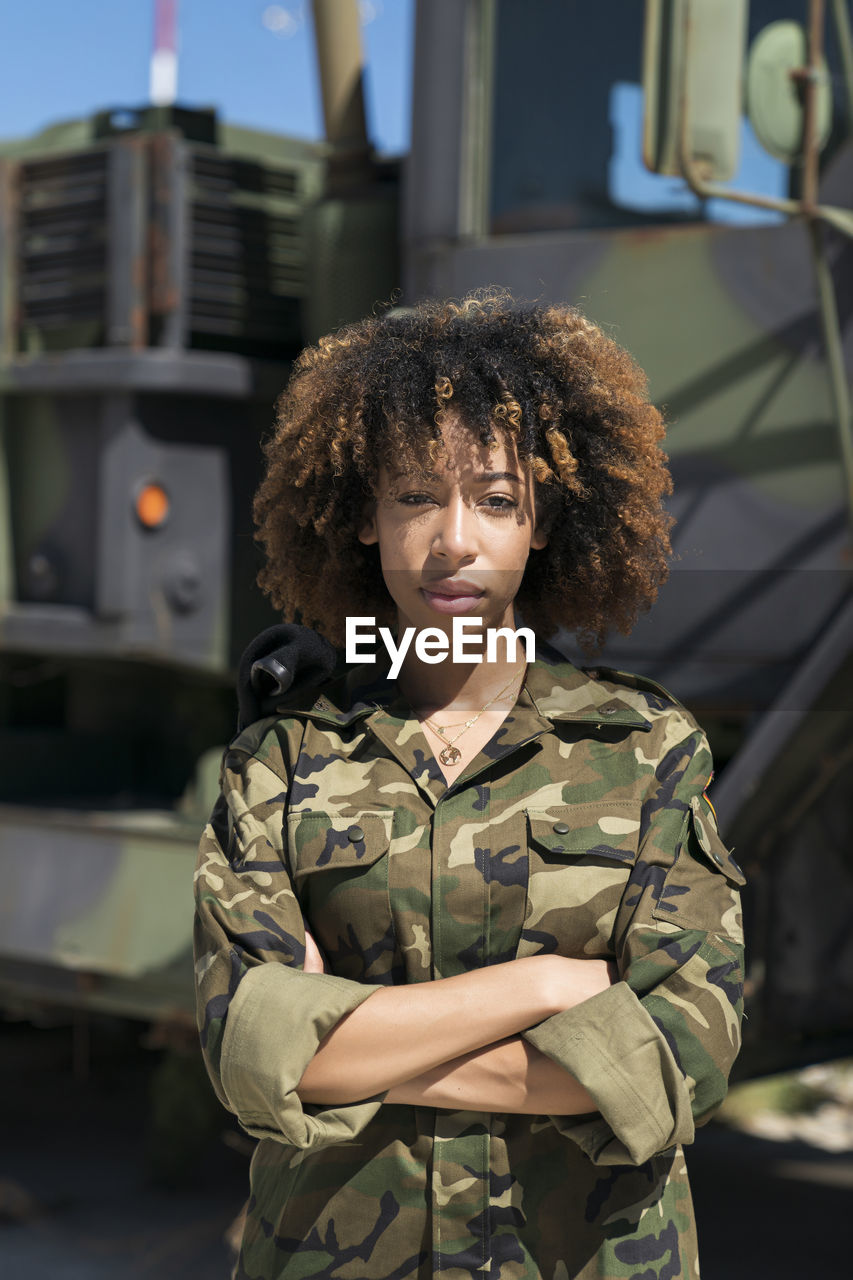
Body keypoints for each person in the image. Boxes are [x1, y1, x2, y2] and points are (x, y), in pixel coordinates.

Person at [193, 289, 746, 1280]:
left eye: (494, 498)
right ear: (363, 518)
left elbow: (678, 1057)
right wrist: (542, 988)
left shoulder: (647, 747)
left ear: (543, 522)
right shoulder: (281, 763)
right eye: (413, 494)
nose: (453, 538)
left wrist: (342, 1042)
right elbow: (246, 1049)